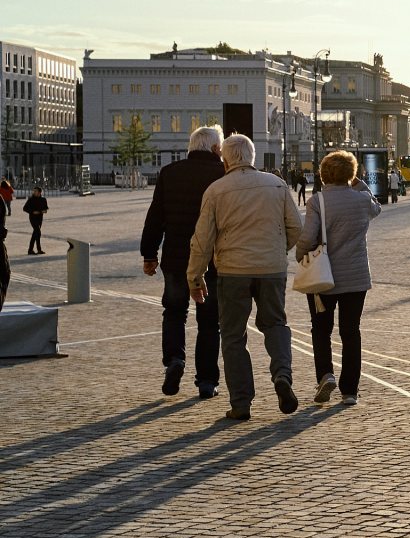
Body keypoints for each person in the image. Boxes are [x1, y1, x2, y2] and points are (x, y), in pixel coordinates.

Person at [187, 134, 303, 422]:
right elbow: (296, 228)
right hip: (271, 268)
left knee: (232, 335)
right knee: (275, 323)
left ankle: (241, 402)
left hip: (232, 270)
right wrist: (278, 250)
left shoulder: (216, 190)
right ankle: (281, 376)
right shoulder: (277, 185)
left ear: (225, 159)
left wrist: (195, 276)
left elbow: (202, 239)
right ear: (252, 157)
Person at [141, 125, 227, 398]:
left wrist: (149, 254)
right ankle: (206, 380)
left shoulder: (169, 172)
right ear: (216, 148)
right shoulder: (223, 175)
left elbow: (155, 217)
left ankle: (174, 360)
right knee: (209, 321)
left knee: (174, 312)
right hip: (212, 260)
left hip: (176, 258)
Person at [295, 150, 380, 406]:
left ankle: (325, 375)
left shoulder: (317, 202)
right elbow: (376, 206)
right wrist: (359, 182)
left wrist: (300, 255)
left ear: (323, 174)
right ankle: (350, 390)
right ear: (351, 174)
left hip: (324, 276)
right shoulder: (362, 200)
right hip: (355, 277)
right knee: (350, 331)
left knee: (321, 329)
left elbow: (308, 238)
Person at [22, 186, 47, 254]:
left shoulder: (43, 199)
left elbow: (45, 209)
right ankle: (38, 249)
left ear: (39, 192)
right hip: (33, 218)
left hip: (40, 218)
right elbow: (24, 208)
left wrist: (43, 211)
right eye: (34, 191)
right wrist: (32, 212)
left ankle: (31, 250)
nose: (34, 192)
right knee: (38, 232)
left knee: (35, 233)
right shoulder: (31, 199)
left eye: (35, 191)